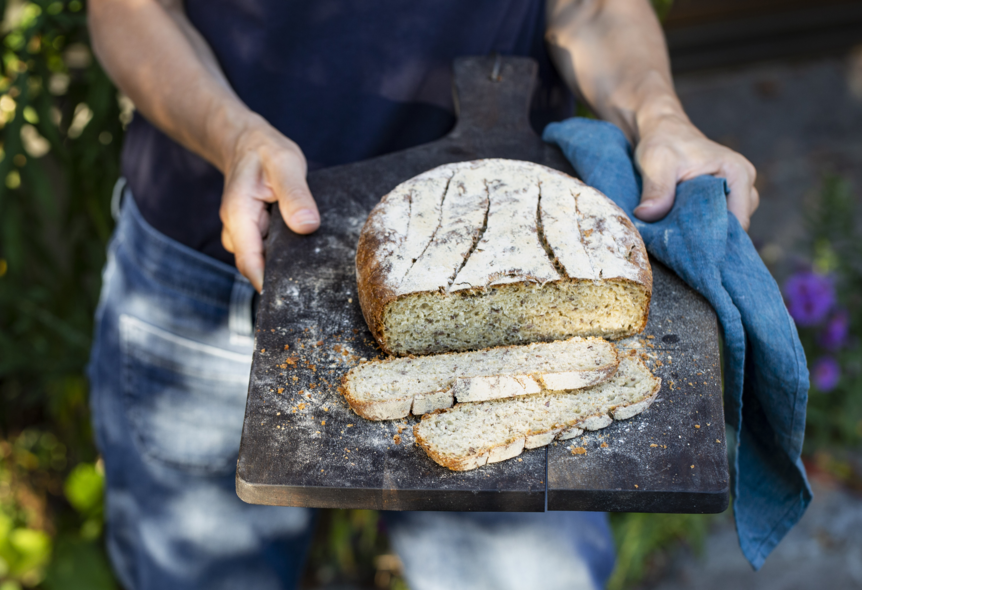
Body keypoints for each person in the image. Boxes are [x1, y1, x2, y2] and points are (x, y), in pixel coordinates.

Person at [86, 1, 759, 589]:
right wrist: (232, 137)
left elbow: (589, 6)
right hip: (221, 274)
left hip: (526, 246)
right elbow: (130, 11)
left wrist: (660, 118)